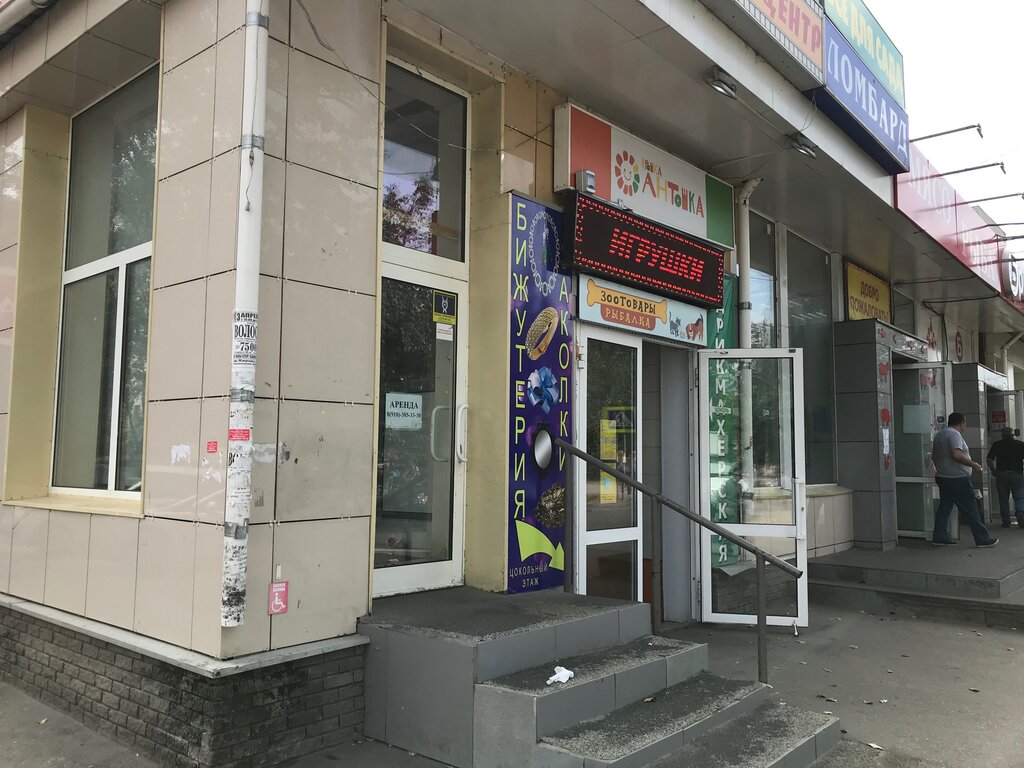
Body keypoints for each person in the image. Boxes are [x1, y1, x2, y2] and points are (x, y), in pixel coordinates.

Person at [931, 412, 999, 547]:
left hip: (943, 477)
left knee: (945, 507)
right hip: (957, 478)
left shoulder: (939, 435)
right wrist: (973, 465)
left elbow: (934, 456)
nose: (965, 426)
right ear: (961, 423)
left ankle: (939, 536)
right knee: (971, 508)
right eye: (964, 423)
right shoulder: (954, 434)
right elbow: (956, 454)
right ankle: (982, 539)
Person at [986, 427, 1024, 528]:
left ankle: (1006, 521)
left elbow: (989, 459)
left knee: (1003, 498)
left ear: (1002, 435)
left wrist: (993, 470)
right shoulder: (1020, 444)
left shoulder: (997, 444)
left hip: (1002, 474)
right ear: (1012, 434)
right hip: (1017, 474)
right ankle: (1020, 512)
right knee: (1020, 496)